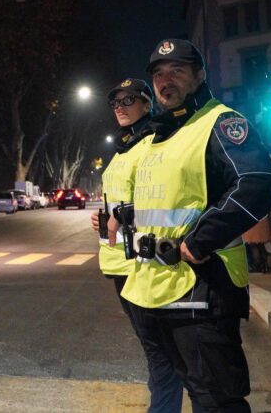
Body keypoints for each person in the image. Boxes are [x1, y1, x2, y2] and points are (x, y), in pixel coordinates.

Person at [108, 39, 271, 412]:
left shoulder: (220, 122)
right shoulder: (160, 133)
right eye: (158, 74)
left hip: (201, 290)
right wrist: (122, 214)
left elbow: (257, 183)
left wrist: (201, 240)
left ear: (199, 76)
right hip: (153, 290)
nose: (165, 81)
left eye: (177, 71)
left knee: (215, 400)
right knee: (177, 384)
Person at [90, 78, 190, 413]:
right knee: (155, 350)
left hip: (143, 263)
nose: (120, 107)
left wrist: (124, 212)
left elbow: (159, 193)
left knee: (162, 352)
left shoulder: (153, 141)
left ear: (147, 104)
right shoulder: (125, 147)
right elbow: (121, 200)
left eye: (128, 100)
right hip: (120, 262)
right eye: (115, 103)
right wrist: (105, 217)